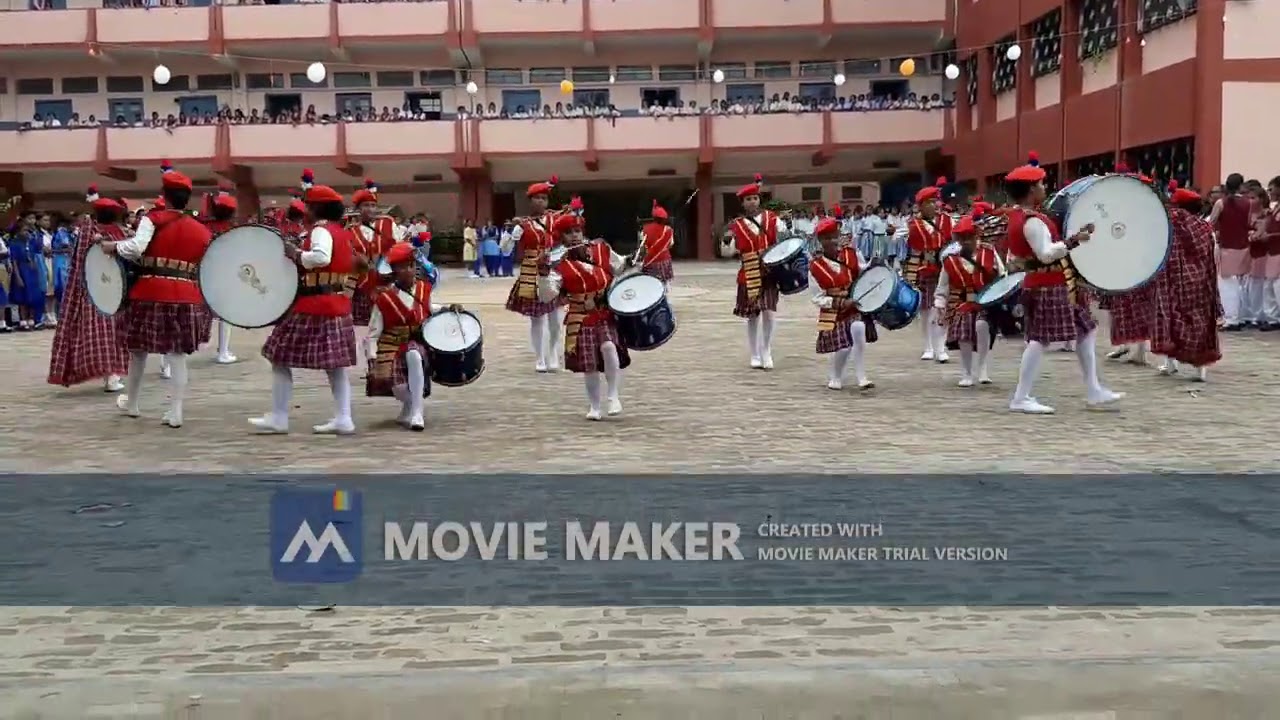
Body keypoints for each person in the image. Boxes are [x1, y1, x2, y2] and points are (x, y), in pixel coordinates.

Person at [1002, 151, 1123, 414]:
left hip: (1052, 282)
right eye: (1041, 184)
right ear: (1031, 189)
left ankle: (1093, 389)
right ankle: (1021, 397)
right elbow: (1045, 254)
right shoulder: (1031, 221)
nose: (1044, 188)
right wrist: (1074, 241)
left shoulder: (1018, 217)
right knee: (1039, 340)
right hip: (1047, 283)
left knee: (1086, 329)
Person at [99, 161, 213, 428]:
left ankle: (134, 404)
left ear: (165, 194)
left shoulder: (153, 218)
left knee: (138, 351)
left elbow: (136, 248)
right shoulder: (202, 230)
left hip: (150, 291)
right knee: (176, 355)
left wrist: (111, 246)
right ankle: (176, 411)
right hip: (186, 295)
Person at [251, 181, 359, 435]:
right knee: (336, 367)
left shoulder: (321, 231)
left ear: (318, 208)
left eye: (309, 205)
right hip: (337, 304)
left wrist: (296, 254)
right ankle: (344, 417)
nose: (305, 209)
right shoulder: (342, 232)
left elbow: (321, 258)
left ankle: (279, 416)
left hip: (314, 305)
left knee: (277, 355)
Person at [537, 206, 632, 420]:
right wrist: (543, 274)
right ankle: (594, 406)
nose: (574, 236)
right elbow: (546, 296)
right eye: (568, 233)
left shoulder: (601, 249)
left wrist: (633, 259)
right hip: (580, 318)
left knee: (609, 347)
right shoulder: (559, 264)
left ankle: (614, 396)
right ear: (561, 237)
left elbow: (619, 267)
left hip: (604, 312)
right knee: (589, 365)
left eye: (576, 231)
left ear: (582, 231)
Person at [365, 241, 464, 431]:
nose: (410, 271)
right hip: (391, 346)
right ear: (394, 271)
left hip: (415, 342)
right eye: (403, 267)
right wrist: (371, 357)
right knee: (398, 389)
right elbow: (373, 332)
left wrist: (447, 308)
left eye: (412, 266)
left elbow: (428, 309)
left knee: (414, 354)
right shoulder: (384, 298)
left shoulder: (423, 289)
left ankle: (418, 413)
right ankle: (409, 406)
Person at [46, 188, 129, 393]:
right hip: (112, 290)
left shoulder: (85, 232)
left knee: (97, 333)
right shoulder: (115, 234)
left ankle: (107, 375)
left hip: (88, 290)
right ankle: (112, 376)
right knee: (112, 334)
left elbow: (77, 262)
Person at [1151, 184, 1221, 380]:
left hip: (1171, 282)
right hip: (1200, 283)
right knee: (1200, 322)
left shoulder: (1170, 223)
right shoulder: (1204, 228)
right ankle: (1200, 368)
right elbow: (1212, 255)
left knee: (1169, 319)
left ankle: (1170, 362)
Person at [934, 209, 1004, 387]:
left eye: (970, 237)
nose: (967, 241)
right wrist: (939, 305)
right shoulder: (950, 259)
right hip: (963, 301)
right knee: (964, 331)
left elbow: (1003, 275)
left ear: (976, 236)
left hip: (986, 301)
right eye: (962, 238)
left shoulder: (989, 252)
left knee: (982, 326)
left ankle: (983, 368)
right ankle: (966, 372)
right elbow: (942, 286)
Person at [808, 214, 876, 390]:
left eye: (835, 236)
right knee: (844, 348)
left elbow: (863, 272)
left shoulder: (851, 254)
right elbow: (817, 297)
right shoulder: (815, 266)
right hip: (833, 312)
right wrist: (838, 303)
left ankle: (862, 377)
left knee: (859, 331)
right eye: (828, 238)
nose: (833, 241)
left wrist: (874, 265)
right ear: (821, 241)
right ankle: (836, 376)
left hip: (853, 306)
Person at [730, 173, 789, 369]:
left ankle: (766, 350)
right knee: (752, 315)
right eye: (748, 199)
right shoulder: (736, 225)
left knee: (769, 312)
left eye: (755, 198)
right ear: (743, 203)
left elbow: (784, 239)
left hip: (769, 271)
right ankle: (754, 353)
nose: (752, 202)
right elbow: (732, 250)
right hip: (748, 272)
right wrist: (730, 245)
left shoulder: (772, 219)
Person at [505, 175, 563, 372]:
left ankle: (553, 351)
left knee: (556, 318)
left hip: (554, 268)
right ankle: (539, 357)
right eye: (537, 198)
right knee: (537, 318)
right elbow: (505, 250)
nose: (541, 201)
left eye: (544, 198)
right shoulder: (523, 225)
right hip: (531, 271)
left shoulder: (556, 219)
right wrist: (510, 232)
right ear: (530, 201)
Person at [348, 176, 401, 361]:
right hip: (363, 284)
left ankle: (386, 356)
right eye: (365, 206)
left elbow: (400, 249)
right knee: (367, 324)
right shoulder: (350, 231)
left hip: (386, 282)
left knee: (387, 321)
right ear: (358, 209)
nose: (370, 209)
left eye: (372, 205)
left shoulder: (388, 224)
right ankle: (370, 356)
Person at [905, 177, 953, 362]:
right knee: (925, 310)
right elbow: (911, 250)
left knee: (943, 308)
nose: (934, 205)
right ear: (921, 205)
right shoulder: (913, 225)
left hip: (945, 271)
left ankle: (941, 346)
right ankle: (928, 346)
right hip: (925, 270)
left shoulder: (948, 221)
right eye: (930, 202)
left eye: (936, 201)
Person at [201, 183, 240, 364]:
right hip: (225, 275)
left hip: (203, 273)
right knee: (225, 314)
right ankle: (223, 351)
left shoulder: (204, 227)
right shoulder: (233, 230)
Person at [1209, 173, 1252, 331]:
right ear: (1241, 186)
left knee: (1227, 284)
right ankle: (1242, 316)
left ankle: (1231, 318)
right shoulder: (1249, 203)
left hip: (1227, 247)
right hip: (1244, 246)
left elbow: (1211, 223)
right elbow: (1251, 223)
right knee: (1242, 284)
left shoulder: (1221, 203)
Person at [9, 211, 46, 330]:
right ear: (18, 232)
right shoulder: (14, 243)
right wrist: (18, 276)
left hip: (32, 271)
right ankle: (23, 319)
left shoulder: (31, 242)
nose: (27, 233)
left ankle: (32, 318)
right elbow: (14, 261)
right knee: (22, 296)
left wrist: (34, 232)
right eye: (24, 231)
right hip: (21, 270)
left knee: (32, 295)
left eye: (28, 231)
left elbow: (39, 247)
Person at [639, 199, 675, 289]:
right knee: (664, 284)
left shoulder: (645, 229)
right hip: (664, 261)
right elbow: (671, 244)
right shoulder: (668, 230)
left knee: (651, 284)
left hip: (650, 261)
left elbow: (642, 246)